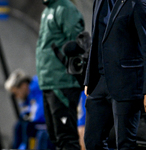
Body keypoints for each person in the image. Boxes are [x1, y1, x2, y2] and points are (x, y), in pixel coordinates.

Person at [84, 0, 146, 149]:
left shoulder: (139, 3)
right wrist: (89, 78)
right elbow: (96, 40)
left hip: (127, 83)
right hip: (99, 81)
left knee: (125, 144)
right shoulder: (99, 1)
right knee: (92, 141)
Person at [35, 0, 85, 149]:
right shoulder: (47, 10)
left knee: (66, 137)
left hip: (62, 83)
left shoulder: (64, 8)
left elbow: (77, 43)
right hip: (48, 82)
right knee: (55, 136)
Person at [4, 69, 55, 149]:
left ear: (23, 85)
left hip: (51, 125)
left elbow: (39, 116)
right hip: (46, 125)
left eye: (15, 94)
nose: (17, 97)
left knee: (29, 127)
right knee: (21, 124)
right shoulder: (30, 97)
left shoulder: (37, 90)